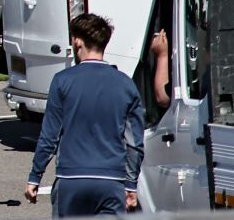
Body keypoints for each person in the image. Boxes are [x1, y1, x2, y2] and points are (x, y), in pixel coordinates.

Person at [25, 13, 145, 217]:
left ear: (78, 42)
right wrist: (131, 185)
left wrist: (35, 176)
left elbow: (50, 136)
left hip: (71, 179)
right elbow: (134, 144)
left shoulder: (62, 81)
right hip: (111, 181)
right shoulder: (126, 84)